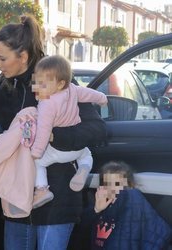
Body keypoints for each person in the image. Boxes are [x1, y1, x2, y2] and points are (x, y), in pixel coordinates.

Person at [0, 14, 107, 250]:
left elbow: (97, 129)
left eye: (1, 58)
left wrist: (54, 136)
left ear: (23, 56)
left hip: (57, 199)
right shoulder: (3, 87)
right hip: (17, 197)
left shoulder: (56, 83)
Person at [27, 55, 107, 209]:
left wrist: (36, 152)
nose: (37, 87)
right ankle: (84, 168)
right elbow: (89, 93)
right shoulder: (73, 90)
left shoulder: (46, 104)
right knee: (87, 154)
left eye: (42, 84)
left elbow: (44, 131)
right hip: (77, 149)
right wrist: (102, 99)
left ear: (60, 84)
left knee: (37, 163)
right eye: (36, 82)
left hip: (59, 150)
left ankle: (42, 190)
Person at [90, 161, 171, 250]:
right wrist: (96, 210)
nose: (111, 188)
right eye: (107, 184)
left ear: (129, 186)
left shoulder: (132, 204)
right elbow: (84, 231)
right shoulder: (101, 206)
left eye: (117, 184)